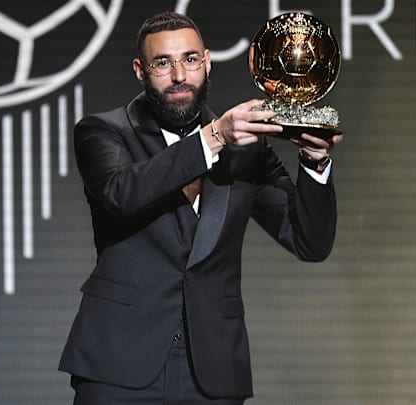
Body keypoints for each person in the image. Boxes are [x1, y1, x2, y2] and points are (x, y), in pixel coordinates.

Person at [59, 11, 342, 404]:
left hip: (213, 372)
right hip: (118, 367)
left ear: (207, 62)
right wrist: (213, 138)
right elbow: (122, 194)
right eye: (163, 63)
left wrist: (315, 165)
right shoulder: (104, 132)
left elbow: (309, 242)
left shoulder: (248, 150)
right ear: (140, 71)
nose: (179, 75)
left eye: (190, 60)